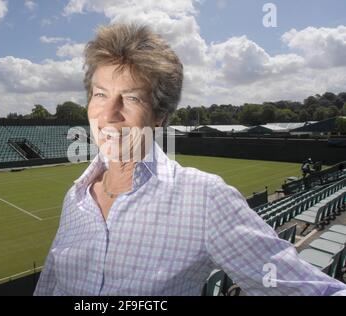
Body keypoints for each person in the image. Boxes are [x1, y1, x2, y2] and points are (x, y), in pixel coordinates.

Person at [34, 23, 346, 296]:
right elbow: (49, 285)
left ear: (159, 116)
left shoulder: (204, 198)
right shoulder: (75, 197)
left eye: (131, 98)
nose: (110, 114)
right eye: (100, 94)